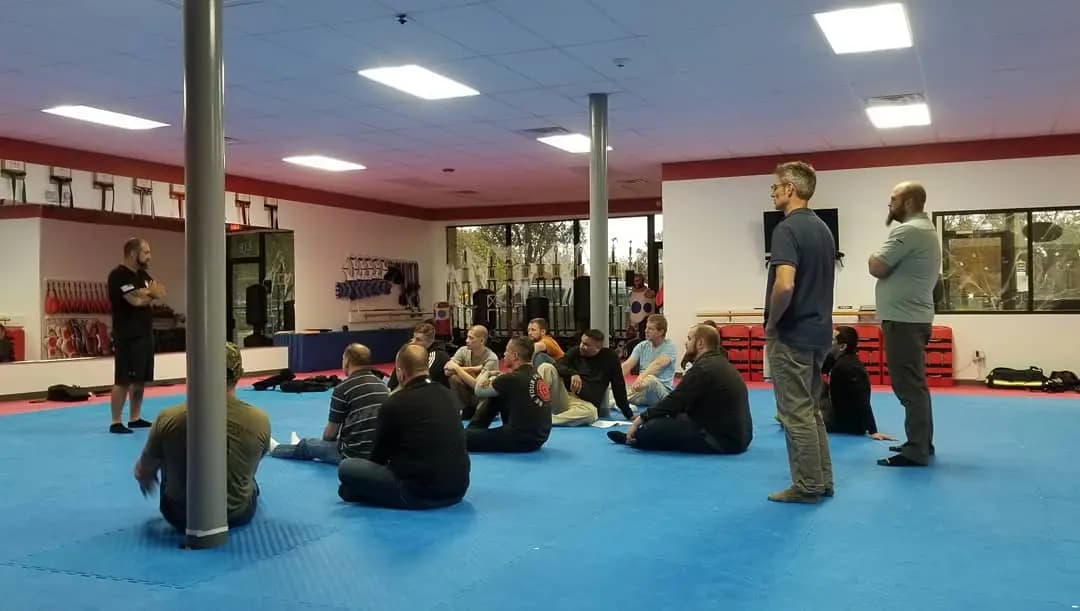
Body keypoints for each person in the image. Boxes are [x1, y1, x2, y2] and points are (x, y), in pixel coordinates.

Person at [133, 342, 270, 531]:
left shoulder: (168, 417)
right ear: (239, 374)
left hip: (180, 515)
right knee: (248, 475)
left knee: (164, 449)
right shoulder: (259, 420)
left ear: (195, 371)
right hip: (236, 514)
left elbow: (142, 471)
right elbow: (253, 464)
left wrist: (148, 476)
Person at [763, 161, 835, 504]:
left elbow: (785, 285)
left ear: (790, 189)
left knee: (795, 413)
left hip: (792, 333)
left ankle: (807, 486)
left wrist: (772, 322)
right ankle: (822, 481)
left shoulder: (787, 229)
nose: (773, 193)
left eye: (776, 187)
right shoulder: (823, 229)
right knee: (810, 409)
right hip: (819, 333)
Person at [338, 344, 470, 509]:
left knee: (347, 467)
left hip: (417, 493)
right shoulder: (449, 395)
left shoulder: (394, 403)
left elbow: (378, 458)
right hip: (458, 488)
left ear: (400, 373)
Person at [869, 181, 942, 467]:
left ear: (909, 202)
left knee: (909, 387)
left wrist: (870, 257)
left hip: (904, 321)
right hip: (911, 318)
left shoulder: (909, 230)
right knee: (915, 386)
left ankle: (916, 450)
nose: (890, 204)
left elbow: (877, 266)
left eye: (894, 199)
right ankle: (921, 443)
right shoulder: (924, 229)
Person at [608, 324, 753, 454]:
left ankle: (636, 438)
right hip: (739, 437)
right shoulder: (720, 363)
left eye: (689, 339)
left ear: (700, 343)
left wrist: (641, 419)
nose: (686, 343)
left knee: (653, 426)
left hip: (722, 441)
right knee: (667, 417)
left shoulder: (703, 369)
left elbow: (675, 400)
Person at [269, 343, 388, 465]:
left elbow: (330, 434)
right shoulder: (383, 386)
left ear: (347, 361)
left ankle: (277, 449)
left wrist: (323, 444)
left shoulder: (343, 388)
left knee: (308, 444)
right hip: (380, 454)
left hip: (353, 455)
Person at [107, 237, 166, 434]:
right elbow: (135, 301)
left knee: (140, 380)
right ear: (133, 254)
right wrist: (149, 294)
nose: (150, 256)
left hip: (144, 334)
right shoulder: (118, 276)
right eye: (146, 252)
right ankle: (116, 421)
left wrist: (146, 293)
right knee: (123, 380)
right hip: (127, 336)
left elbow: (158, 291)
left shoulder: (142, 275)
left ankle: (135, 417)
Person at [464, 337, 552, 453]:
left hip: (520, 438)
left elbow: (478, 390)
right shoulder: (535, 375)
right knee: (498, 394)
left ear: (515, 356)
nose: (504, 354)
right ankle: (474, 430)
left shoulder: (512, 378)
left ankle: (471, 432)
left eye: (506, 351)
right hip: (540, 437)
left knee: (461, 438)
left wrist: (486, 372)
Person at [821, 327, 895, 441]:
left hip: (847, 423)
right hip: (839, 410)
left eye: (832, 340)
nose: (827, 342)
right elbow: (823, 369)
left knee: (802, 417)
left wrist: (873, 430)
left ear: (842, 347)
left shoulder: (850, 367)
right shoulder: (839, 358)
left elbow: (862, 399)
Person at [553, 329, 633, 425]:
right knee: (547, 367)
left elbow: (618, 386)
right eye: (581, 342)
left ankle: (549, 420)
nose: (581, 346)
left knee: (591, 413)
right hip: (564, 396)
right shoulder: (575, 351)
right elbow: (558, 365)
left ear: (597, 347)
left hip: (584, 404)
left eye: (586, 344)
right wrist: (573, 373)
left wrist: (628, 413)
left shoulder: (610, 358)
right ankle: (537, 407)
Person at [621, 314, 679, 408]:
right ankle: (619, 399)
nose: (646, 331)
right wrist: (612, 379)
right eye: (646, 327)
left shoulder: (670, 346)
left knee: (650, 379)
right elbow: (627, 365)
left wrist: (641, 377)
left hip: (661, 394)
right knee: (614, 390)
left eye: (650, 329)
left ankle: (622, 399)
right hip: (642, 391)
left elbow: (657, 364)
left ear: (661, 332)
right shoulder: (642, 346)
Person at [445, 325, 500, 419]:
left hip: (483, 396)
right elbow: (447, 370)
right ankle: (464, 408)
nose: (466, 340)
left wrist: (457, 369)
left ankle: (481, 410)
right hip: (469, 394)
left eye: (471, 338)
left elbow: (477, 386)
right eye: (467, 337)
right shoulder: (463, 351)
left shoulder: (491, 358)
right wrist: (474, 369)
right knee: (453, 378)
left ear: (482, 341)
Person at [388, 323, 451, 390]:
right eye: (414, 338)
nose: (413, 342)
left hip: (433, 391)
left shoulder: (438, 355)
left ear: (430, 341)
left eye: (418, 340)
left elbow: (422, 377)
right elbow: (399, 366)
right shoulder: (414, 349)